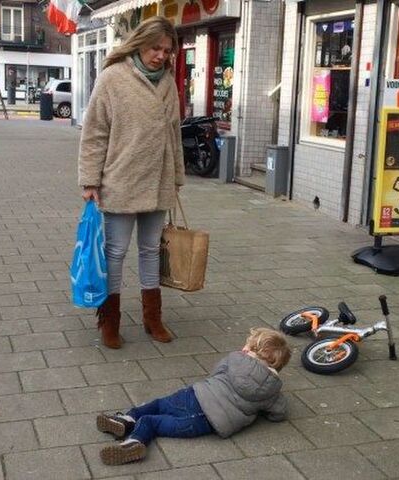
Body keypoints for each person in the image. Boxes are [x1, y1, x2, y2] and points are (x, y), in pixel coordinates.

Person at [78, 17, 185, 349]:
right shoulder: (113, 78)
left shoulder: (167, 82)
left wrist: (177, 175)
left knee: (152, 250)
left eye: (166, 51)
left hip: (158, 180)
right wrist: (90, 179)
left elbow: (175, 133)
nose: (161, 56)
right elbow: (94, 132)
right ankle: (109, 321)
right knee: (115, 252)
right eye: (155, 48)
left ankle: (153, 318)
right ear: (140, 43)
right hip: (121, 179)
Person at [96, 327, 291, 465]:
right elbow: (279, 412)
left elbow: (216, 374)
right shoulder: (273, 389)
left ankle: (126, 422)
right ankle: (132, 443)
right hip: (206, 422)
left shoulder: (235, 358)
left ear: (249, 349)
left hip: (193, 395)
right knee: (154, 422)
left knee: (155, 407)